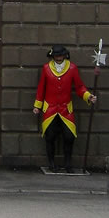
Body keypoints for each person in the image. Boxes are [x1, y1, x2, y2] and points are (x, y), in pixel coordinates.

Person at [32, 45, 95, 173]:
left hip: (66, 109)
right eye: (56, 55)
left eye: (61, 55)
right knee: (50, 137)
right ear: (53, 56)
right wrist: (37, 105)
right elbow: (41, 88)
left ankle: (68, 164)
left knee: (69, 136)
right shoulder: (46, 68)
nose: (59, 58)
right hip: (50, 109)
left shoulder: (72, 68)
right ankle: (51, 163)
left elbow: (79, 87)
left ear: (65, 55)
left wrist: (88, 96)